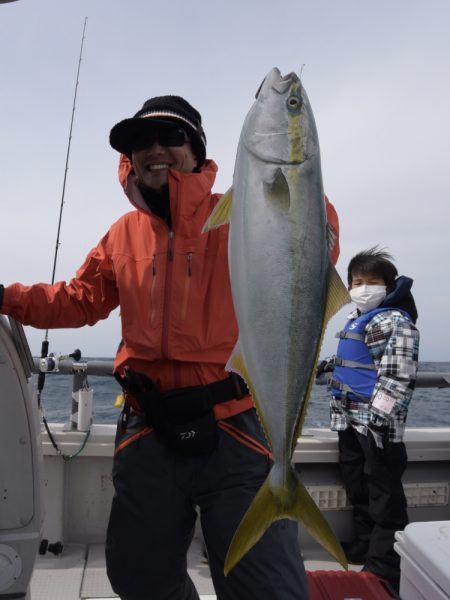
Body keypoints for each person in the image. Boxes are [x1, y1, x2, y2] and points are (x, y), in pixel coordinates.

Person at [0, 94, 340, 599]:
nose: (155, 149)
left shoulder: (241, 216)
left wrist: (300, 188)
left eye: (171, 137)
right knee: (139, 577)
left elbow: (316, 246)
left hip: (235, 424)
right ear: (129, 159)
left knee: (266, 586)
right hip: (147, 426)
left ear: (197, 149)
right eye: (141, 142)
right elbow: (76, 301)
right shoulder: (122, 234)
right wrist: (4, 298)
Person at [328, 247, 419, 593]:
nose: (363, 287)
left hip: (377, 426)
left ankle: (387, 565)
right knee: (358, 486)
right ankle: (364, 546)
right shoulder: (357, 319)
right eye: (357, 281)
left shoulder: (396, 321)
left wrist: (379, 419)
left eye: (372, 282)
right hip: (348, 421)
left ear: (389, 285)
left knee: (384, 495)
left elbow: (397, 376)